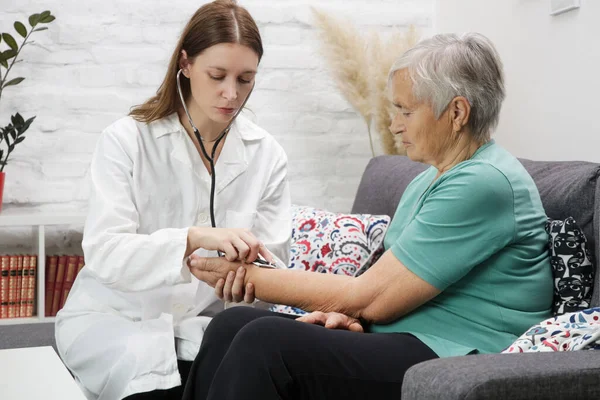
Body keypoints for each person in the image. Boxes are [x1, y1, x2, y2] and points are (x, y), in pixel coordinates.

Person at [181, 32, 554, 400]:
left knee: (265, 343)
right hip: (406, 335)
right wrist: (352, 318)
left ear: (456, 112)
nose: (394, 125)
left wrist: (249, 277)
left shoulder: (484, 182)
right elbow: (388, 288)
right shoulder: (430, 178)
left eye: (406, 111)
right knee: (231, 324)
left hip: (460, 352)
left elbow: (371, 297)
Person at [54, 1, 291, 399]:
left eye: (245, 79)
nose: (231, 94)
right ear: (185, 63)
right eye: (217, 75)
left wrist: (247, 275)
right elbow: (105, 251)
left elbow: (275, 265)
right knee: (156, 384)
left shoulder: (268, 155)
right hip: (111, 320)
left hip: (195, 325)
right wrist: (195, 238)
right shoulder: (126, 140)